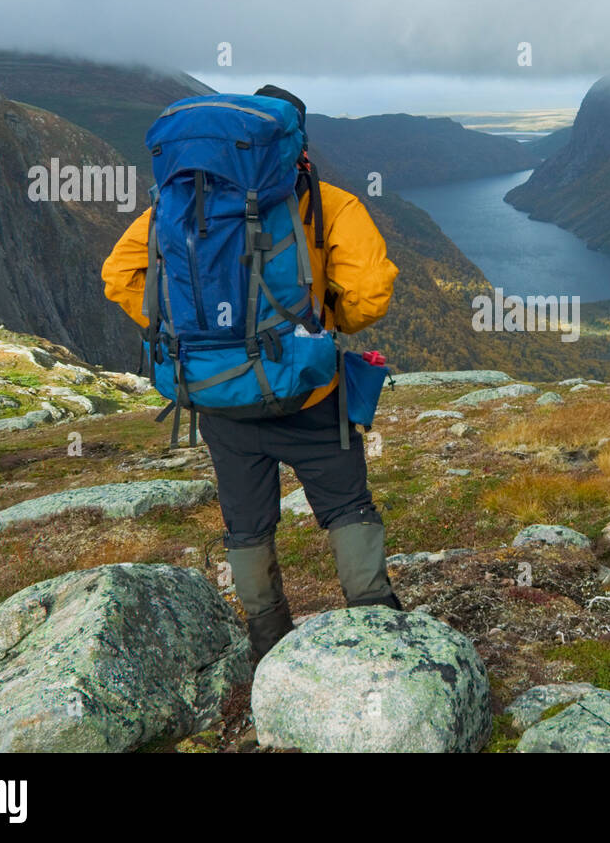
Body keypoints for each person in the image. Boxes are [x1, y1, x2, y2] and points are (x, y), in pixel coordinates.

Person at [102, 85, 402, 661]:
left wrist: (193, 338)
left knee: (246, 524)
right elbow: (370, 293)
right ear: (293, 142)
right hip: (309, 397)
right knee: (346, 506)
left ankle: (268, 644)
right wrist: (316, 325)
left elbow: (120, 276)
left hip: (216, 397)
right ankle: (378, 630)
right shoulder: (329, 203)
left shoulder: (173, 206)